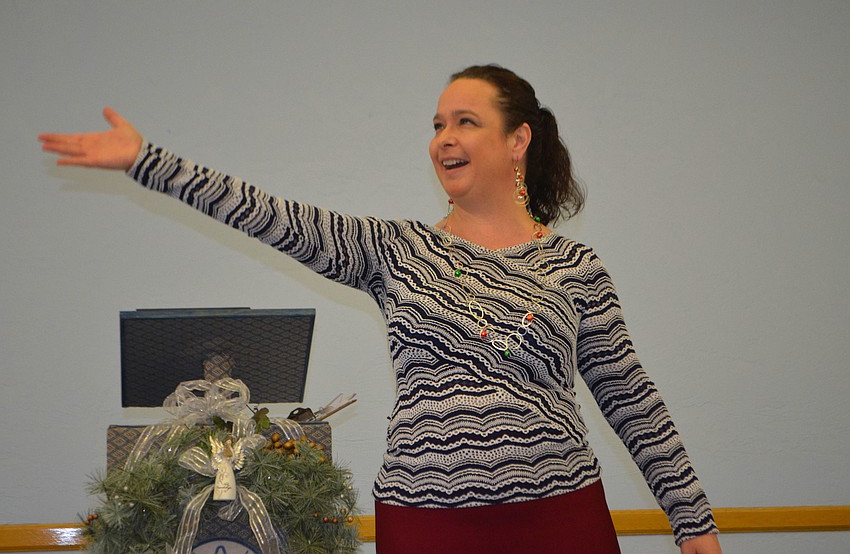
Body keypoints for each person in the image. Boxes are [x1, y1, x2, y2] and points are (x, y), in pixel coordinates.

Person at [39, 64, 722, 554]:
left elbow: (631, 398)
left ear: (517, 140)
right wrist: (148, 161)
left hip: (558, 516)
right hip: (427, 523)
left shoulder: (575, 266)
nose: (443, 137)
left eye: (466, 122)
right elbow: (275, 217)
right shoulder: (395, 250)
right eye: (437, 125)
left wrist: (693, 521)